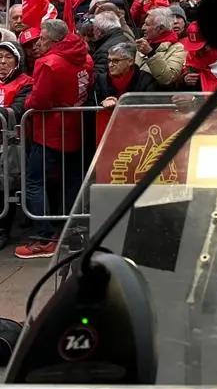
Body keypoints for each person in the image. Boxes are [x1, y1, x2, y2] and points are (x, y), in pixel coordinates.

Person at [16, 20, 94, 259]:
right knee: (71, 182)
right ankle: (74, 231)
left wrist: (27, 103)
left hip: (50, 132)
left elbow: (38, 101)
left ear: (54, 40)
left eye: (42, 39)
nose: (39, 43)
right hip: (74, 129)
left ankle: (44, 238)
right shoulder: (84, 57)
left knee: (34, 182)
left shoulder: (49, 64)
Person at [0, 41, 31, 247]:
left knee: (5, 186)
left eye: (7, 57)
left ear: (18, 60)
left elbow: (19, 109)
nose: (2, 62)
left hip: (11, 143)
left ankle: (2, 229)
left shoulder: (26, 82)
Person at [135, 7, 187, 88]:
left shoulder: (178, 48)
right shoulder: (144, 43)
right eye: (143, 24)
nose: (143, 28)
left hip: (156, 98)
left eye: (147, 25)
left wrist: (150, 54)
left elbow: (168, 78)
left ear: (161, 29)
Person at [96, 41, 157, 107]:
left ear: (130, 61)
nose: (110, 65)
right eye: (109, 61)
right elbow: (92, 103)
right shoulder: (101, 79)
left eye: (116, 61)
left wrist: (120, 104)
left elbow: (150, 107)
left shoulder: (145, 80)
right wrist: (102, 103)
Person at [90, 10, 131, 90]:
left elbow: (98, 78)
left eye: (93, 29)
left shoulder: (104, 51)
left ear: (98, 31)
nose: (92, 33)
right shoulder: (124, 36)